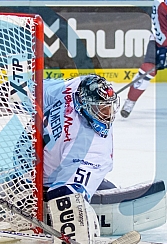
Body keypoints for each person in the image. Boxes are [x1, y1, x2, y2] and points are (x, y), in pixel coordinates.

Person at [43, 74, 119, 204]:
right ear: (82, 104)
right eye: (100, 108)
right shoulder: (93, 146)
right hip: (41, 182)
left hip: (28, 157)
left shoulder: (74, 87)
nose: (107, 115)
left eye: (109, 107)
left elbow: (40, 89)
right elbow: (65, 198)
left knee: (109, 189)